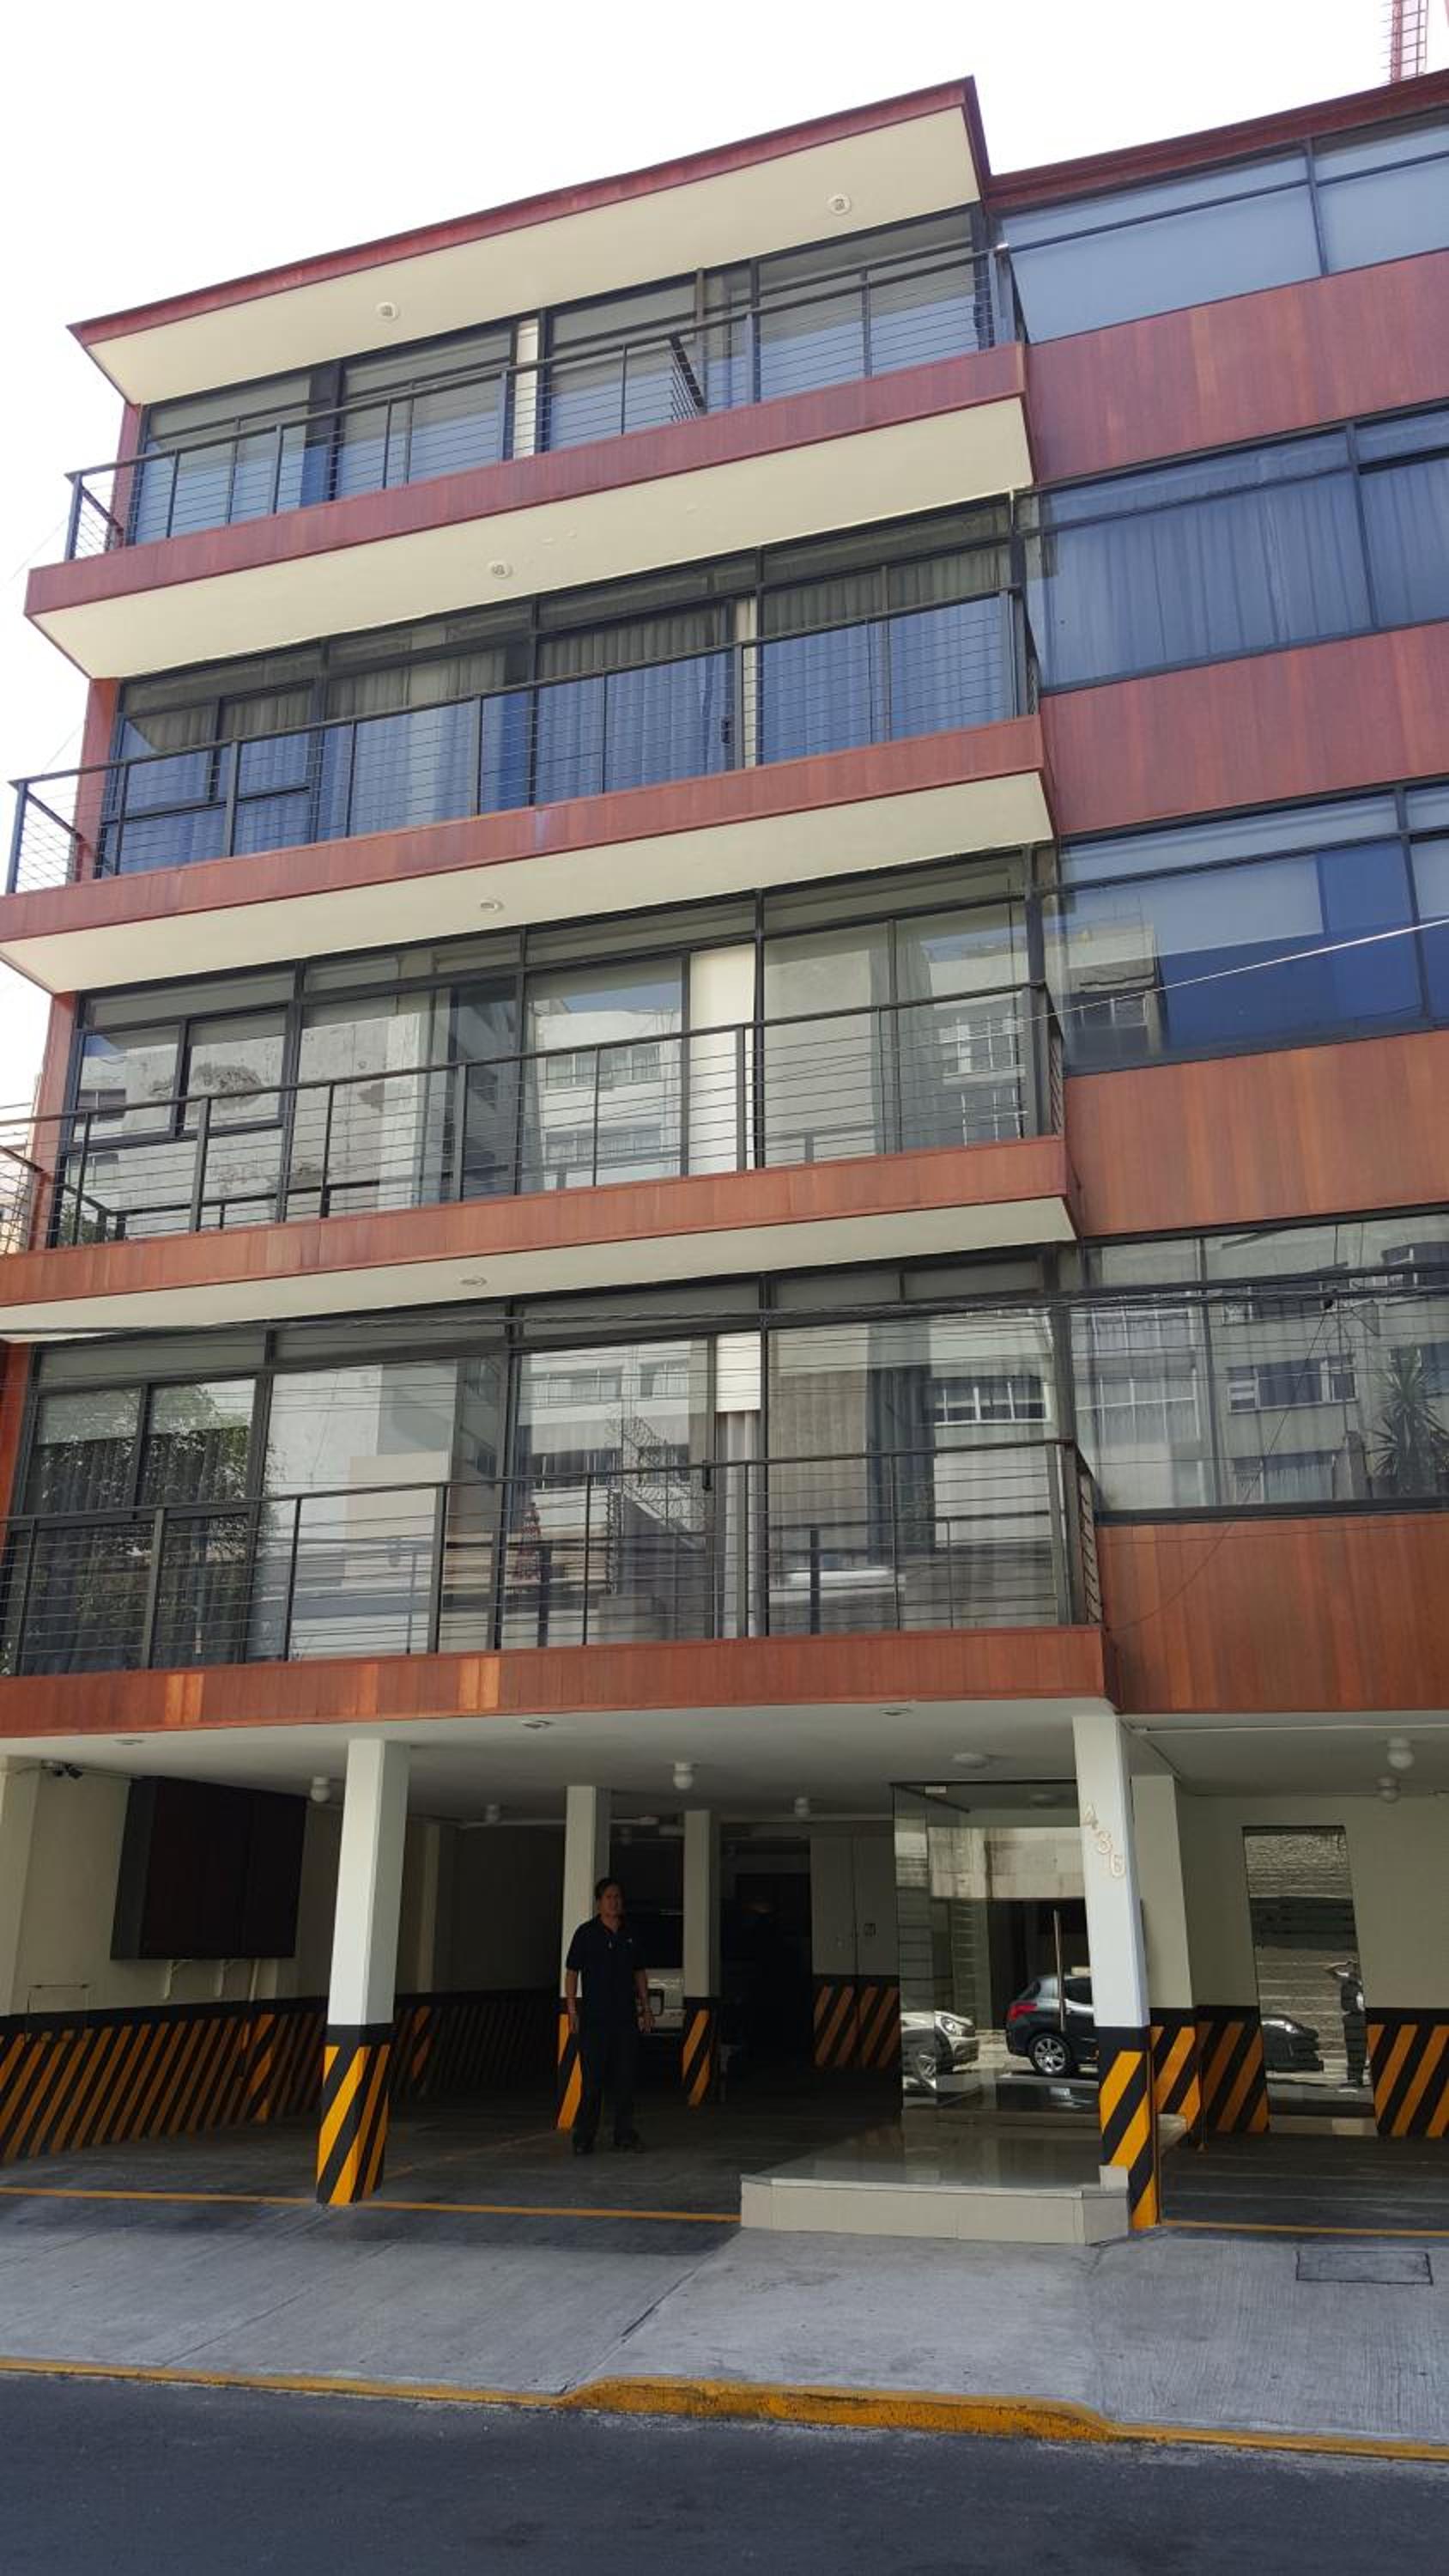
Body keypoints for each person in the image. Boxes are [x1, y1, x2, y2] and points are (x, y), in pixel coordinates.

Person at [564, 1878, 654, 2154]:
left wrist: (646, 2008)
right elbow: (572, 1972)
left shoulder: (630, 1933)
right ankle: (584, 2137)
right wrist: (572, 2009)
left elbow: (639, 1972)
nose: (614, 1902)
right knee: (592, 2082)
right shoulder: (586, 1933)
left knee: (625, 2079)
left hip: (625, 2019)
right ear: (599, 1902)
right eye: (609, 1897)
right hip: (594, 2020)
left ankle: (624, 2135)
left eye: (618, 1897)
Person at [1331, 1957, 1367, 2087]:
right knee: (1355, 2049)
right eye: (1354, 1966)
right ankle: (1355, 2078)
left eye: (1358, 1966)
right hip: (1353, 2018)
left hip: (1366, 2016)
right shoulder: (1347, 1978)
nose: (1356, 1968)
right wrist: (1342, 1963)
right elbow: (1328, 1969)